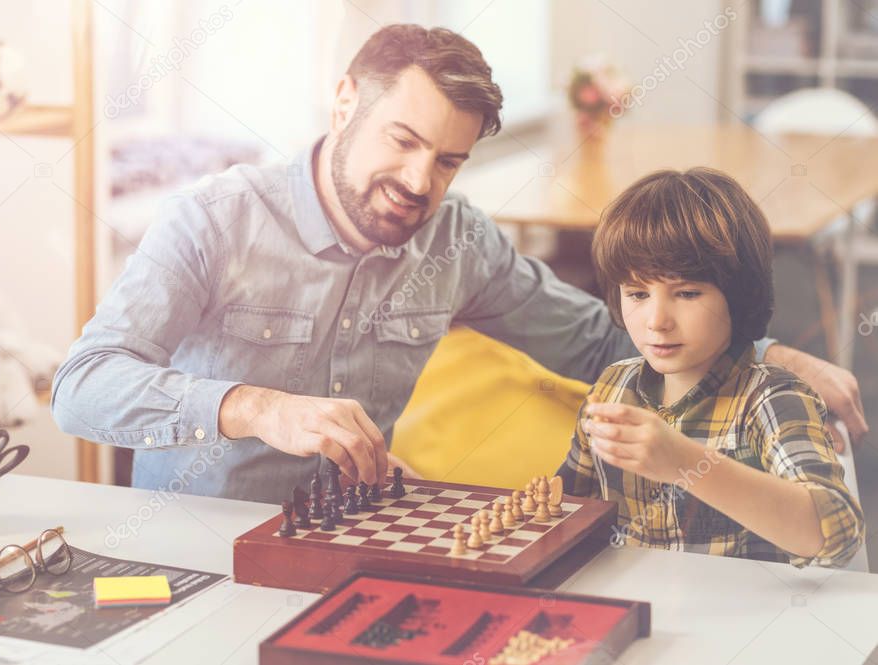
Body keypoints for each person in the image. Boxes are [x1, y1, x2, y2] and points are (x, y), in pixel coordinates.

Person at [51, 24, 868, 504]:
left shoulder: (458, 241)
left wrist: (766, 355)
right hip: (198, 550)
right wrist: (259, 407)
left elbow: (595, 343)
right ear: (345, 103)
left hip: (363, 531)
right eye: (402, 142)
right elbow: (81, 386)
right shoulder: (215, 220)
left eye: (447, 161)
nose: (418, 183)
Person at [557, 168, 864, 567]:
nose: (657, 320)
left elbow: (834, 533)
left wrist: (685, 462)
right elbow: (573, 503)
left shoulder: (772, 399)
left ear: (739, 296)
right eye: (637, 293)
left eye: (686, 293)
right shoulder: (613, 386)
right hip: (636, 607)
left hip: (743, 622)